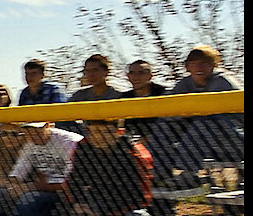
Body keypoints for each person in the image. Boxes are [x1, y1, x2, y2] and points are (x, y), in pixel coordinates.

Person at [160, 45, 243, 188]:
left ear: (213, 65)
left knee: (204, 122)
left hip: (236, 142)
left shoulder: (223, 81)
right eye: (193, 64)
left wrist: (184, 112)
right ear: (187, 67)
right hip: (207, 147)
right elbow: (167, 106)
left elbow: (209, 111)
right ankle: (158, 174)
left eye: (204, 63)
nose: (199, 67)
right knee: (163, 124)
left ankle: (189, 175)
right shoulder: (185, 83)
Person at [0, 122, 82, 216]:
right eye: (27, 129)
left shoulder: (70, 142)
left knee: (28, 201)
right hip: (40, 187)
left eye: (37, 129)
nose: (32, 133)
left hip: (68, 193)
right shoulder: (30, 143)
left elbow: (70, 183)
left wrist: (30, 187)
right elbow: (18, 172)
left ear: (49, 126)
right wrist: (13, 187)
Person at [61, 120, 153, 216]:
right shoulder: (84, 147)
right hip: (95, 198)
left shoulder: (135, 152)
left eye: (107, 132)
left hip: (126, 204)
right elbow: (75, 180)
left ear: (119, 132)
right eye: (96, 132)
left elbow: (139, 193)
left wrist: (104, 212)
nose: (101, 137)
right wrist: (77, 203)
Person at [18, 60, 74, 133]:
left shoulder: (54, 89)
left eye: (34, 73)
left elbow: (59, 114)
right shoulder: (24, 92)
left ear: (43, 75)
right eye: (27, 74)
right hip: (33, 132)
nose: (29, 77)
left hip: (58, 130)